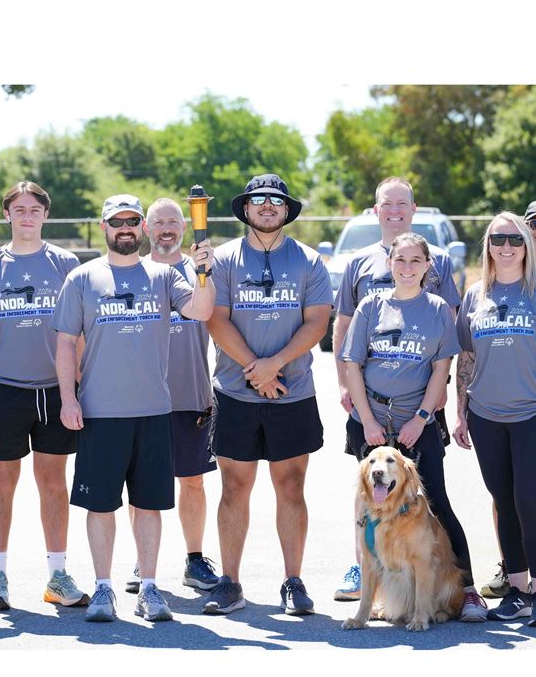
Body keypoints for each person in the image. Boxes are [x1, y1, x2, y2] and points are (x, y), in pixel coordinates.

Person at [54, 195, 221, 623]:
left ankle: (149, 587)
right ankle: (103, 588)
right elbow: (65, 344)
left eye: (132, 221)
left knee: (148, 504)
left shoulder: (163, 276)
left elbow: (201, 310)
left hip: (153, 411)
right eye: (117, 222)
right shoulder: (82, 278)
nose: (125, 228)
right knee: (101, 506)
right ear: (105, 227)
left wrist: (204, 272)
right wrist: (69, 398)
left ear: (142, 227)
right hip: (100, 412)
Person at [198, 174, 334, 617]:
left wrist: (274, 364)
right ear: (246, 208)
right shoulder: (223, 259)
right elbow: (216, 319)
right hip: (236, 393)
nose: (267, 205)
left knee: (291, 486)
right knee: (234, 487)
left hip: (292, 393)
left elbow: (317, 322)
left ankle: (293, 581)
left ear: (286, 209)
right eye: (258, 199)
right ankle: (229, 583)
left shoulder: (309, 261)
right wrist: (257, 371)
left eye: (276, 199)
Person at [338, 231, 486, 622]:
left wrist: (421, 419)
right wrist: (368, 420)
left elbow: (441, 368)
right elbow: (353, 363)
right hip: (371, 420)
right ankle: (376, 590)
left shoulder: (437, 309)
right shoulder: (371, 305)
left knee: (435, 502)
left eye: (415, 260)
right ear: (389, 263)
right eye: (400, 260)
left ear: (427, 266)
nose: (407, 267)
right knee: (371, 505)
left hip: (417, 422)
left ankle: (467, 590)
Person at [326, 177, 460, 603]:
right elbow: (344, 327)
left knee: (430, 496)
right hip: (369, 403)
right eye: (388, 203)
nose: (395, 210)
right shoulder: (359, 264)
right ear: (376, 209)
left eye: (403, 203)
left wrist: (437, 397)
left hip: (420, 402)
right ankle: (365, 568)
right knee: (370, 493)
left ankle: (458, 584)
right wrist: (344, 383)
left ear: (414, 208)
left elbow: (447, 336)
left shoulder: (438, 261)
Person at [453, 210, 536, 627]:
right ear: (488, 245)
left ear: (526, 245)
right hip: (486, 416)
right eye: (498, 239)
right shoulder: (475, 295)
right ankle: (517, 589)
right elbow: (466, 357)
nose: (506, 247)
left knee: (530, 500)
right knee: (504, 502)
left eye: (514, 239)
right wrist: (461, 412)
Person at [0, 180, 88, 612]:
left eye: (35, 209)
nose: (27, 216)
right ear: (7, 215)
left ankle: (57, 576)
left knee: (53, 484)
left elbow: (78, 333)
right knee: (1, 485)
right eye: (19, 209)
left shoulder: (66, 263)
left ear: (46, 215)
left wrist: (75, 388)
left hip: (55, 391)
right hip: (6, 390)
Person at [143, 193, 223, 596]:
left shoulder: (200, 272)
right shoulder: (135, 272)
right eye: (158, 222)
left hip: (192, 396)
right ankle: (144, 564)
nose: (166, 229)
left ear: (185, 227)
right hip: (142, 399)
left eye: (173, 222)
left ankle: (194, 560)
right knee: (143, 486)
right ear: (146, 228)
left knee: (192, 482)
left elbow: (222, 326)